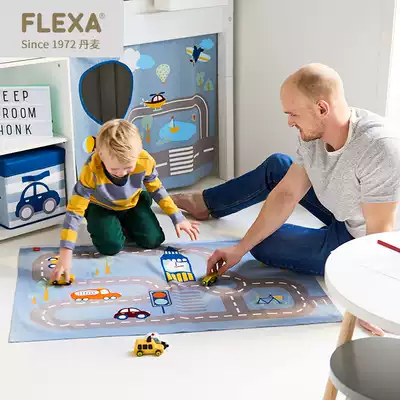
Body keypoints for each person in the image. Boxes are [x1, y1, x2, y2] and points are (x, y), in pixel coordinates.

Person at [171, 63, 400, 335]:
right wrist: (239, 249)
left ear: (322, 109)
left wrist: (367, 299)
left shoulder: (379, 148)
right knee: (278, 166)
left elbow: (378, 234)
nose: (289, 122)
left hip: (357, 238)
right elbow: (287, 192)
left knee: (262, 243)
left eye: (293, 114)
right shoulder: (313, 133)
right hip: (344, 210)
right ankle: (206, 203)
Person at [51, 119, 200, 282]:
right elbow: (75, 210)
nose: (121, 173)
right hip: (101, 206)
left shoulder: (144, 161)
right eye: (114, 169)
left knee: (154, 240)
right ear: (100, 154)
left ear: (138, 153)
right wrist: (66, 252)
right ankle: (106, 220)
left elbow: (157, 190)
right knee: (110, 246)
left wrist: (178, 218)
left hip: (131, 203)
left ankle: (134, 211)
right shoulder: (91, 170)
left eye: (128, 168)